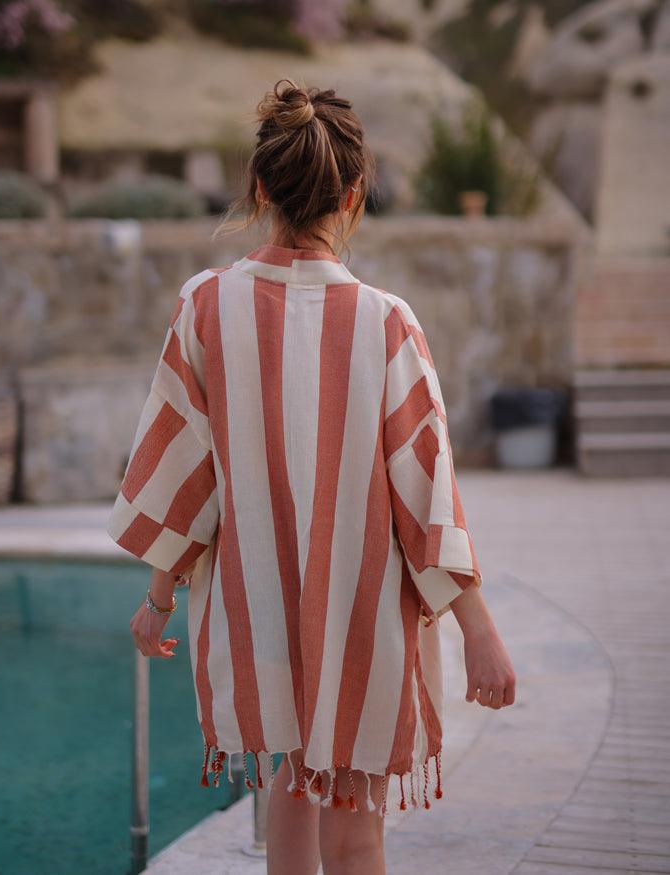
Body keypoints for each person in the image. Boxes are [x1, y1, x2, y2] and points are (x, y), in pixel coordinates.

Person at [106, 78, 516, 875]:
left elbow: (184, 478)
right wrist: (478, 630)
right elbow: (425, 494)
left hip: (260, 617)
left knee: (289, 822)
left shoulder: (204, 307)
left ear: (259, 188)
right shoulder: (386, 323)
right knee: (356, 836)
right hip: (363, 619)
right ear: (354, 194)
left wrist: (158, 600)